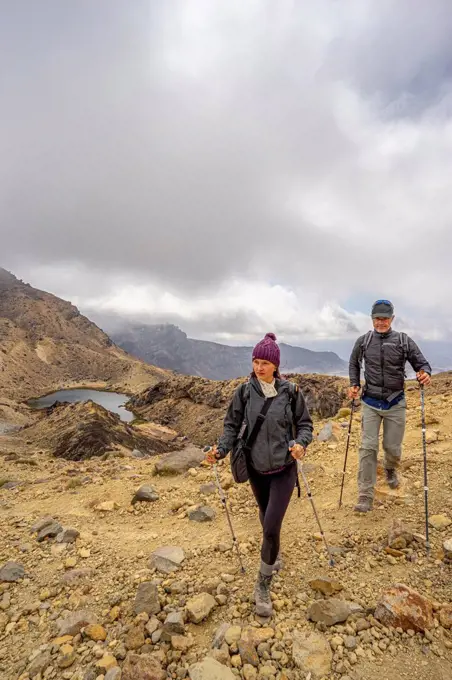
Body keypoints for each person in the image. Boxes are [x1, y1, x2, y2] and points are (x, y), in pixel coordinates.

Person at [205, 332, 313, 617]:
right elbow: (231, 426)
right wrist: (221, 450)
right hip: (255, 468)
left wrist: (301, 444)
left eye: (265, 362)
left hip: (283, 469)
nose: (259, 367)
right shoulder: (243, 392)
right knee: (265, 518)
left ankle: (262, 585)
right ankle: (273, 553)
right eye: (255, 361)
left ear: (275, 365)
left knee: (270, 526)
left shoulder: (291, 392)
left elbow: (305, 425)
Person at [348, 299, 432, 513]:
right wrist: (354, 383)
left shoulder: (403, 341)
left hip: (395, 402)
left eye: (385, 318)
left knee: (392, 448)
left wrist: (425, 373)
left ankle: (390, 468)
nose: (381, 322)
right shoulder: (364, 341)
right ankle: (365, 494)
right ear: (372, 319)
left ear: (392, 319)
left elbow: (421, 362)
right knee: (368, 447)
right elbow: (353, 363)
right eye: (377, 318)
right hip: (370, 402)